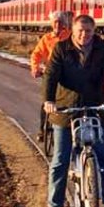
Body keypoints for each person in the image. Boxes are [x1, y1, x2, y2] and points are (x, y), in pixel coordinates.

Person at [42, 15, 104, 207]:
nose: (84, 35)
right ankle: (54, 206)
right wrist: (49, 100)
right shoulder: (61, 48)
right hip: (66, 109)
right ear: (72, 30)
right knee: (60, 159)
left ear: (94, 31)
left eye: (88, 31)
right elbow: (51, 75)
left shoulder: (102, 48)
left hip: (95, 106)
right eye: (80, 30)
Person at [29, 11, 71, 142]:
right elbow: (36, 54)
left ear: (64, 24)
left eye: (60, 22)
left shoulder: (70, 36)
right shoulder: (46, 39)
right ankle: (42, 129)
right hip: (50, 73)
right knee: (46, 100)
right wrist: (35, 68)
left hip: (67, 73)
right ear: (52, 24)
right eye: (55, 22)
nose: (57, 24)